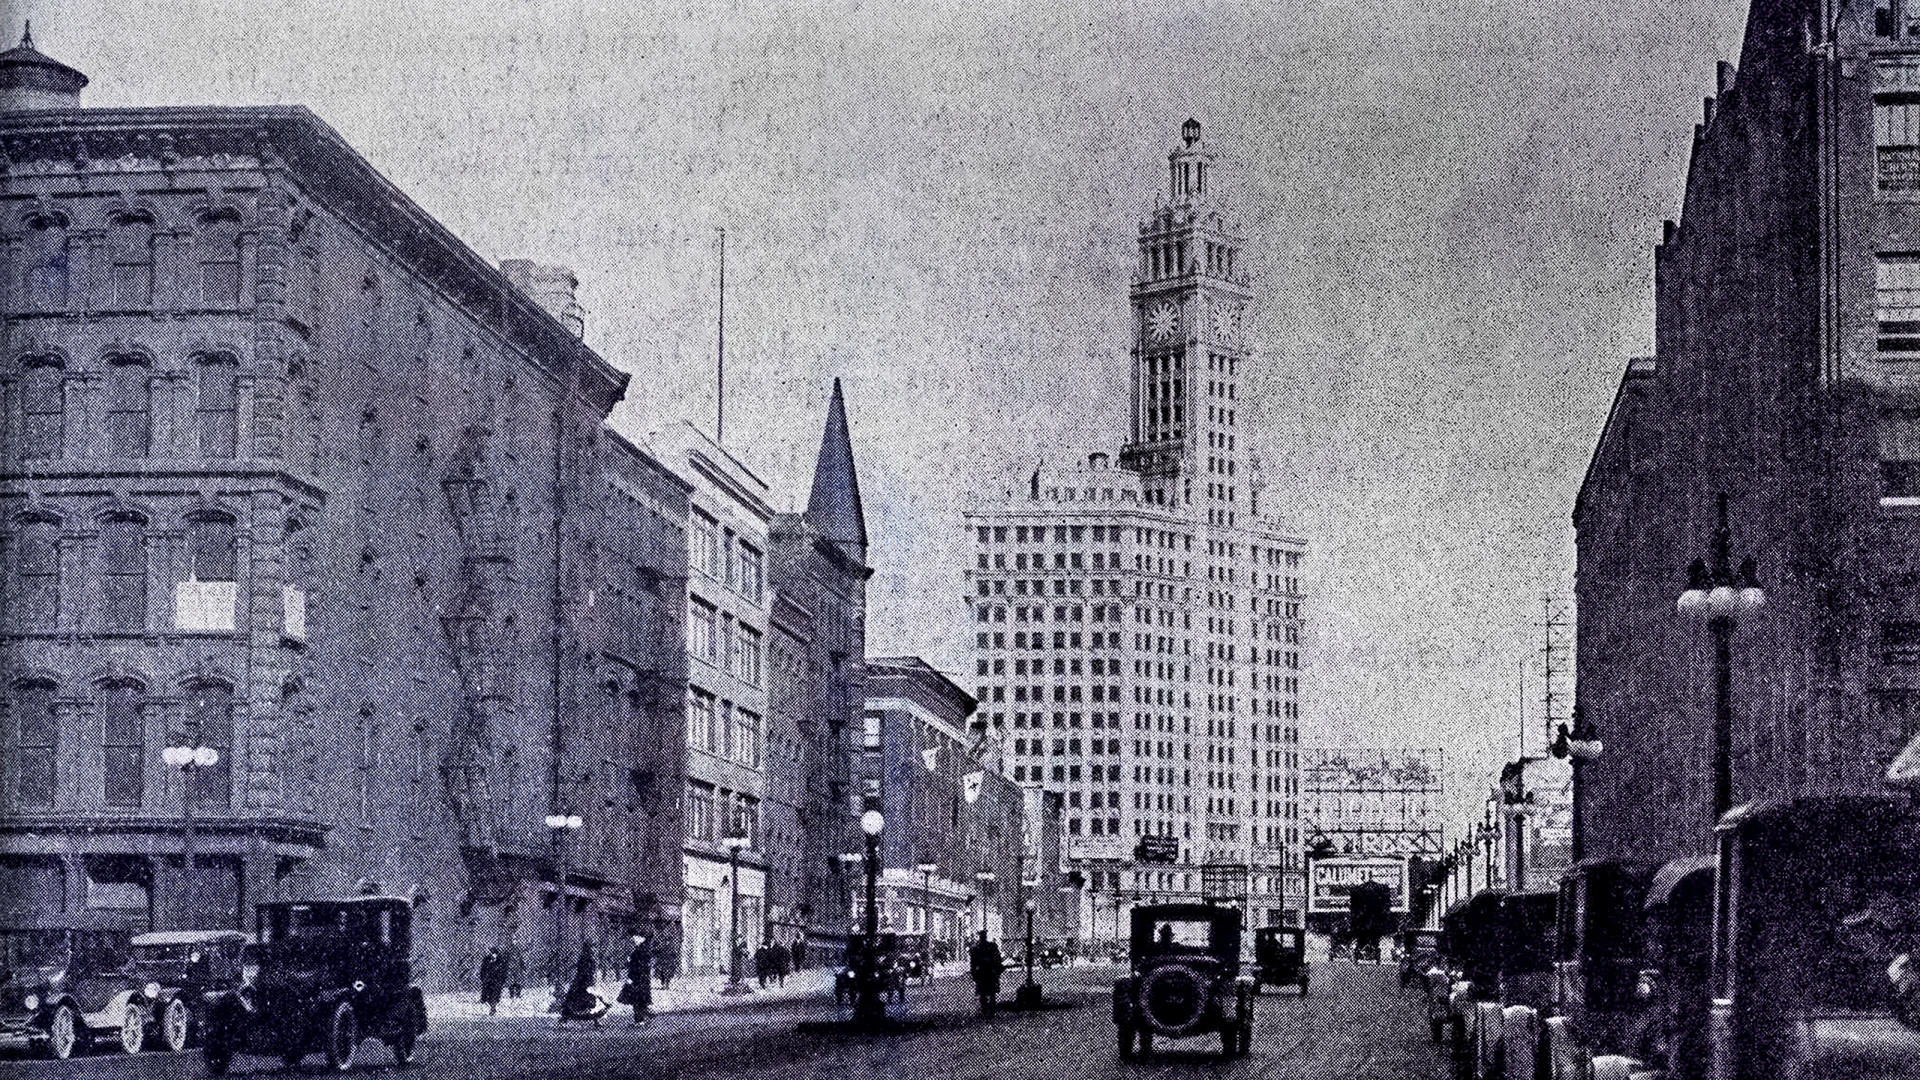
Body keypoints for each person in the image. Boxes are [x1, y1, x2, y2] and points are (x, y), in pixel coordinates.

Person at [560, 941, 605, 1026]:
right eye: (592, 948)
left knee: (587, 1001)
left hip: (584, 983)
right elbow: (583, 972)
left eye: (594, 947)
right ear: (588, 949)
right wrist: (586, 982)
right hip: (582, 983)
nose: (593, 949)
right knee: (579, 1001)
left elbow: (589, 972)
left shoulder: (589, 958)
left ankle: (595, 1021)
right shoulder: (586, 959)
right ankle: (564, 1020)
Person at [968, 931, 1003, 1017]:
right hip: (987, 972)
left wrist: (973, 972)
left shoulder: (977, 948)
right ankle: (988, 1010)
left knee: (986, 992)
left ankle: (987, 1009)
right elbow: (973, 962)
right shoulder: (986, 947)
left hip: (985, 972)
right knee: (988, 992)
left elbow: (973, 962)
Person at [624, 935, 653, 1025]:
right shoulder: (645, 952)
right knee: (642, 999)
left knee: (636, 1000)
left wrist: (631, 977)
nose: (632, 943)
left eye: (634, 942)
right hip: (644, 980)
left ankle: (639, 1020)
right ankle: (642, 1018)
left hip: (636, 979)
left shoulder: (637, 953)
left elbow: (635, 967)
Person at [478, 947, 508, 1015]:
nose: (491, 954)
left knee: (494, 996)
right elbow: (483, 970)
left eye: (493, 953)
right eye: (491, 953)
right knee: (487, 996)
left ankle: (493, 1008)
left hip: (497, 982)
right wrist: (483, 978)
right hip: (488, 981)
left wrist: (502, 980)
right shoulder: (486, 960)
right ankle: (492, 1007)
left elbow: (504, 972)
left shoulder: (501, 961)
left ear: (496, 954)